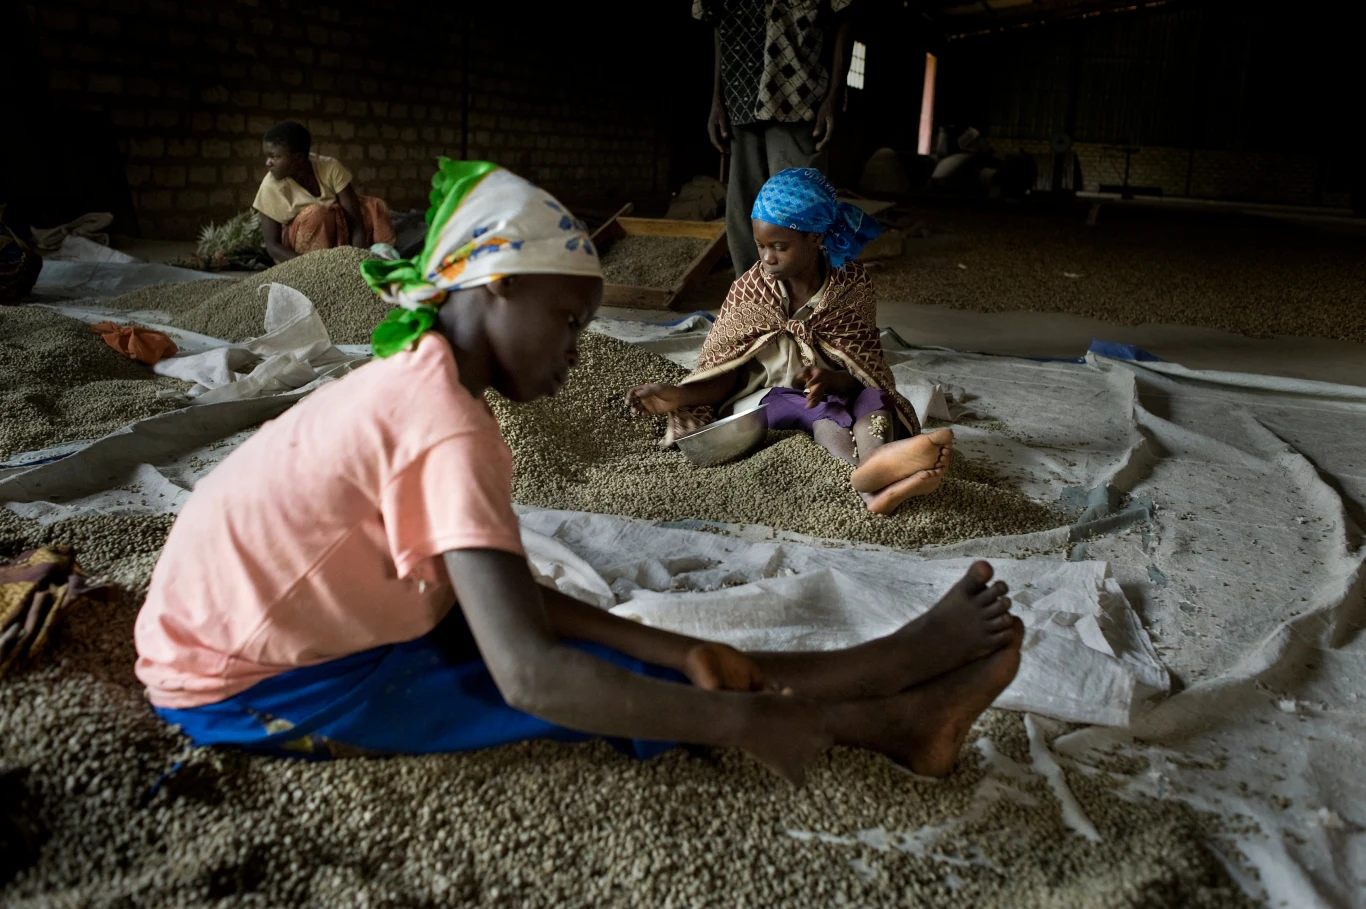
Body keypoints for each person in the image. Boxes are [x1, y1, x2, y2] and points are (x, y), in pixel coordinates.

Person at [133, 159, 1021, 782]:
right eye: (569, 320)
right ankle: (884, 718)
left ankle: (873, 673)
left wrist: (676, 643)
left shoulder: (424, 386)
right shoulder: (443, 423)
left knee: (628, 655)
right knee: (578, 693)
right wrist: (737, 721)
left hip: (268, 633)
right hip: (243, 683)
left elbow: (507, 595)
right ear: (497, 289)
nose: (576, 350)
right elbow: (531, 671)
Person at [628, 168, 954, 515]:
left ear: (815, 238)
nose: (766, 258)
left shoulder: (851, 284)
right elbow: (724, 372)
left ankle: (878, 466)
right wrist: (679, 394)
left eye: (779, 247)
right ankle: (868, 480)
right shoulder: (750, 290)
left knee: (875, 397)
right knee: (817, 408)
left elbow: (865, 367)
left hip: (835, 390)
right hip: (765, 402)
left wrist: (834, 379)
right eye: (760, 246)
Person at [694, 0, 855, 275]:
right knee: (744, 214)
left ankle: (806, 305)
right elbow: (719, 23)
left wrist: (834, 95)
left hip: (798, 94)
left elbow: (845, 17)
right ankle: (755, 303)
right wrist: (716, 99)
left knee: (801, 212)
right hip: (741, 95)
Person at [253, 120, 396, 264]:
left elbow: (355, 220)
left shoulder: (329, 167)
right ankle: (328, 263)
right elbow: (273, 246)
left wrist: (357, 258)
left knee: (374, 205)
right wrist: (312, 267)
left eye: (274, 157)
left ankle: (382, 261)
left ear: (298, 158)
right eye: (267, 156)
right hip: (297, 253)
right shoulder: (270, 188)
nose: (268, 163)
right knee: (318, 214)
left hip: (339, 235)